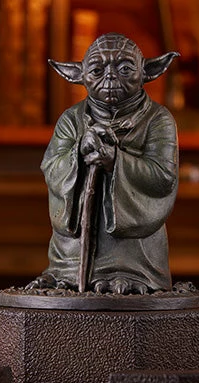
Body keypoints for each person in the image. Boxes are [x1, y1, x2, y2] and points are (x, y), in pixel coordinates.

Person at [28, 33, 179, 294]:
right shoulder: (71, 120)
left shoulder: (157, 119)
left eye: (125, 69)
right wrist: (79, 152)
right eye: (97, 70)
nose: (110, 78)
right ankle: (66, 273)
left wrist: (116, 161)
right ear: (79, 75)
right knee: (64, 280)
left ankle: (128, 273)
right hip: (71, 255)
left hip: (135, 258)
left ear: (147, 72)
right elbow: (52, 167)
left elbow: (163, 176)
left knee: (132, 282)